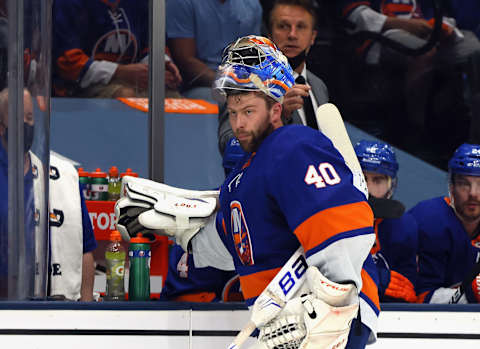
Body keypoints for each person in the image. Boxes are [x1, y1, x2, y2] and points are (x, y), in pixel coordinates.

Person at [116, 35, 379, 348]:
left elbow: (345, 231)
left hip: (328, 327)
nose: (239, 123)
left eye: (249, 111)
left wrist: (329, 314)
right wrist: (181, 231)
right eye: (233, 112)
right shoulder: (242, 178)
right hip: (280, 329)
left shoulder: (295, 146)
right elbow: (237, 250)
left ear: (276, 107)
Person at [336, 0, 480, 153]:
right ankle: (417, 130)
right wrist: (405, 25)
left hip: (426, 32)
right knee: (425, 53)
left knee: (474, 50)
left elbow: (440, 12)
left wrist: (442, 26)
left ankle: (475, 136)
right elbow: (355, 14)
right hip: (383, 34)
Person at [0, 88, 97, 301]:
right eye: (18, 118)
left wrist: (88, 307)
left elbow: (85, 250)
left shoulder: (64, 176)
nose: (26, 124)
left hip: (60, 307)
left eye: (29, 117)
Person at [218, 0, 330, 173]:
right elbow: (229, 144)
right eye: (283, 26)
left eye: (301, 27)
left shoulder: (318, 85)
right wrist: (275, 113)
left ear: (313, 37)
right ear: (269, 36)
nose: (292, 35)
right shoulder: (244, 83)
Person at [53, 0, 182, 98]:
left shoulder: (141, 3)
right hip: (78, 87)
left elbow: (149, 44)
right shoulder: (69, 4)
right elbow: (68, 64)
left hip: (133, 78)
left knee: (170, 98)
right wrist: (119, 72)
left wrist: (160, 64)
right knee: (125, 96)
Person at [408, 143, 480, 304]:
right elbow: (417, 298)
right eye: (464, 183)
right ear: (452, 187)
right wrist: (470, 294)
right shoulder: (428, 220)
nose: (473, 193)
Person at [355, 140, 418, 303]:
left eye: (377, 181)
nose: (367, 189)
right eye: (361, 177)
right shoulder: (330, 218)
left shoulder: (404, 227)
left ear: (391, 185)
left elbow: (408, 291)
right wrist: (374, 278)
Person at [166, 0, 263, 102]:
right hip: (199, 86)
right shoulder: (182, 2)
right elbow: (185, 60)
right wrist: (228, 83)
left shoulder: (251, 4)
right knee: (234, 102)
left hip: (243, 81)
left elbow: (254, 57)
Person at [161, 244, 242, 302]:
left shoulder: (176, 246)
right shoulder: (213, 245)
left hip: (173, 302)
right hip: (205, 302)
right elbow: (230, 286)